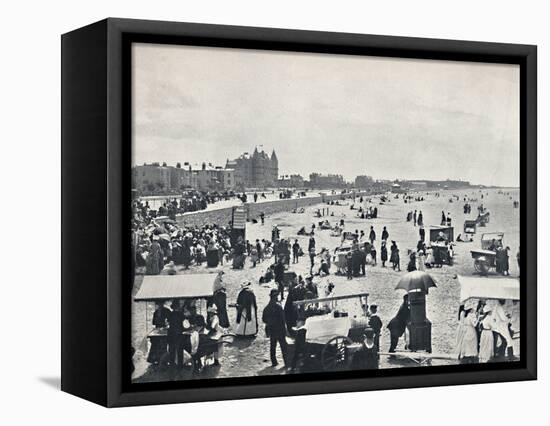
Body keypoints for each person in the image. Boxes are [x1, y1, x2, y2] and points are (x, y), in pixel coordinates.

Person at [262, 289, 289, 367]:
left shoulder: (267, 307)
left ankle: (274, 362)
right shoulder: (279, 306)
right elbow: (283, 319)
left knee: (273, 346)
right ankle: (286, 362)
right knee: (283, 346)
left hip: (272, 329)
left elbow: (264, 319)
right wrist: (285, 329)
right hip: (280, 329)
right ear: (276, 296)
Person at [167, 300, 185, 367]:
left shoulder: (170, 314)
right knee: (180, 350)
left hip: (171, 334)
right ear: (178, 306)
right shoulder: (181, 314)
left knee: (172, 350)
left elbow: (168, 323)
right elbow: (185, 325)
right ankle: (180, 365)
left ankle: (172, 364)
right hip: (179, 334)